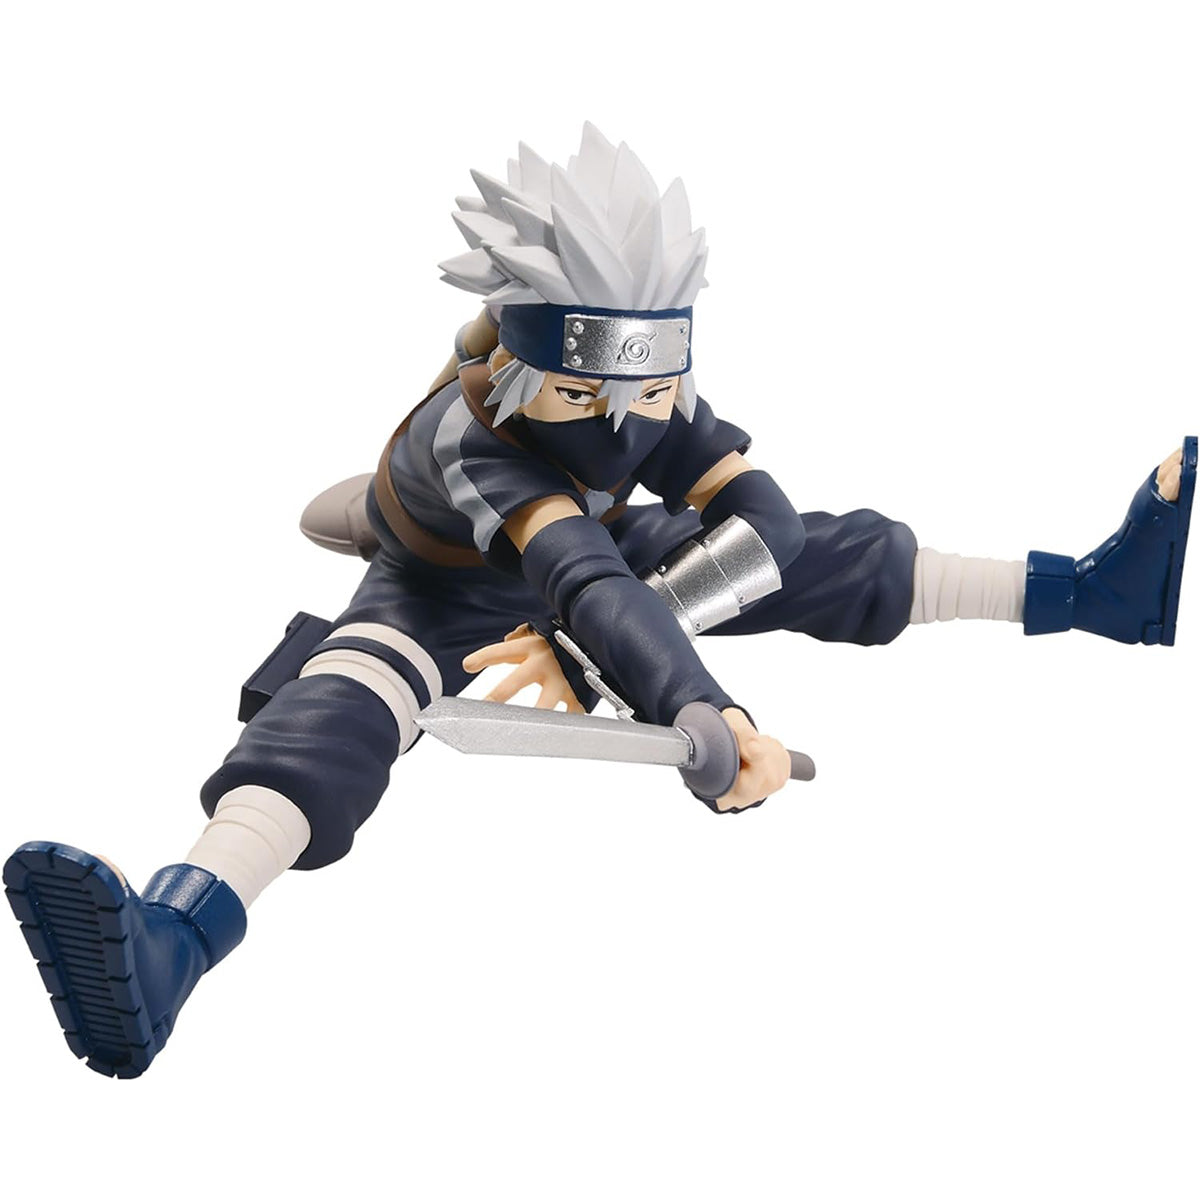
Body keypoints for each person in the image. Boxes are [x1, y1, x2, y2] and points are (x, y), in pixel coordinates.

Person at [5, 125, 1193, 1079]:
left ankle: (1099, 593)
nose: (627, 420)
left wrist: (624, 648)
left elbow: (764, 524)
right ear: (514, 358)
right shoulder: (477, 440)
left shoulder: (640, 380)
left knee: (837, 555)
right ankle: (174, 940)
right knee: (333, 719)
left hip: (593, 548)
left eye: (654, 385)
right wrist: (702, 709)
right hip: (443, 582)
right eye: (584, 392)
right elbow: (579, 578)